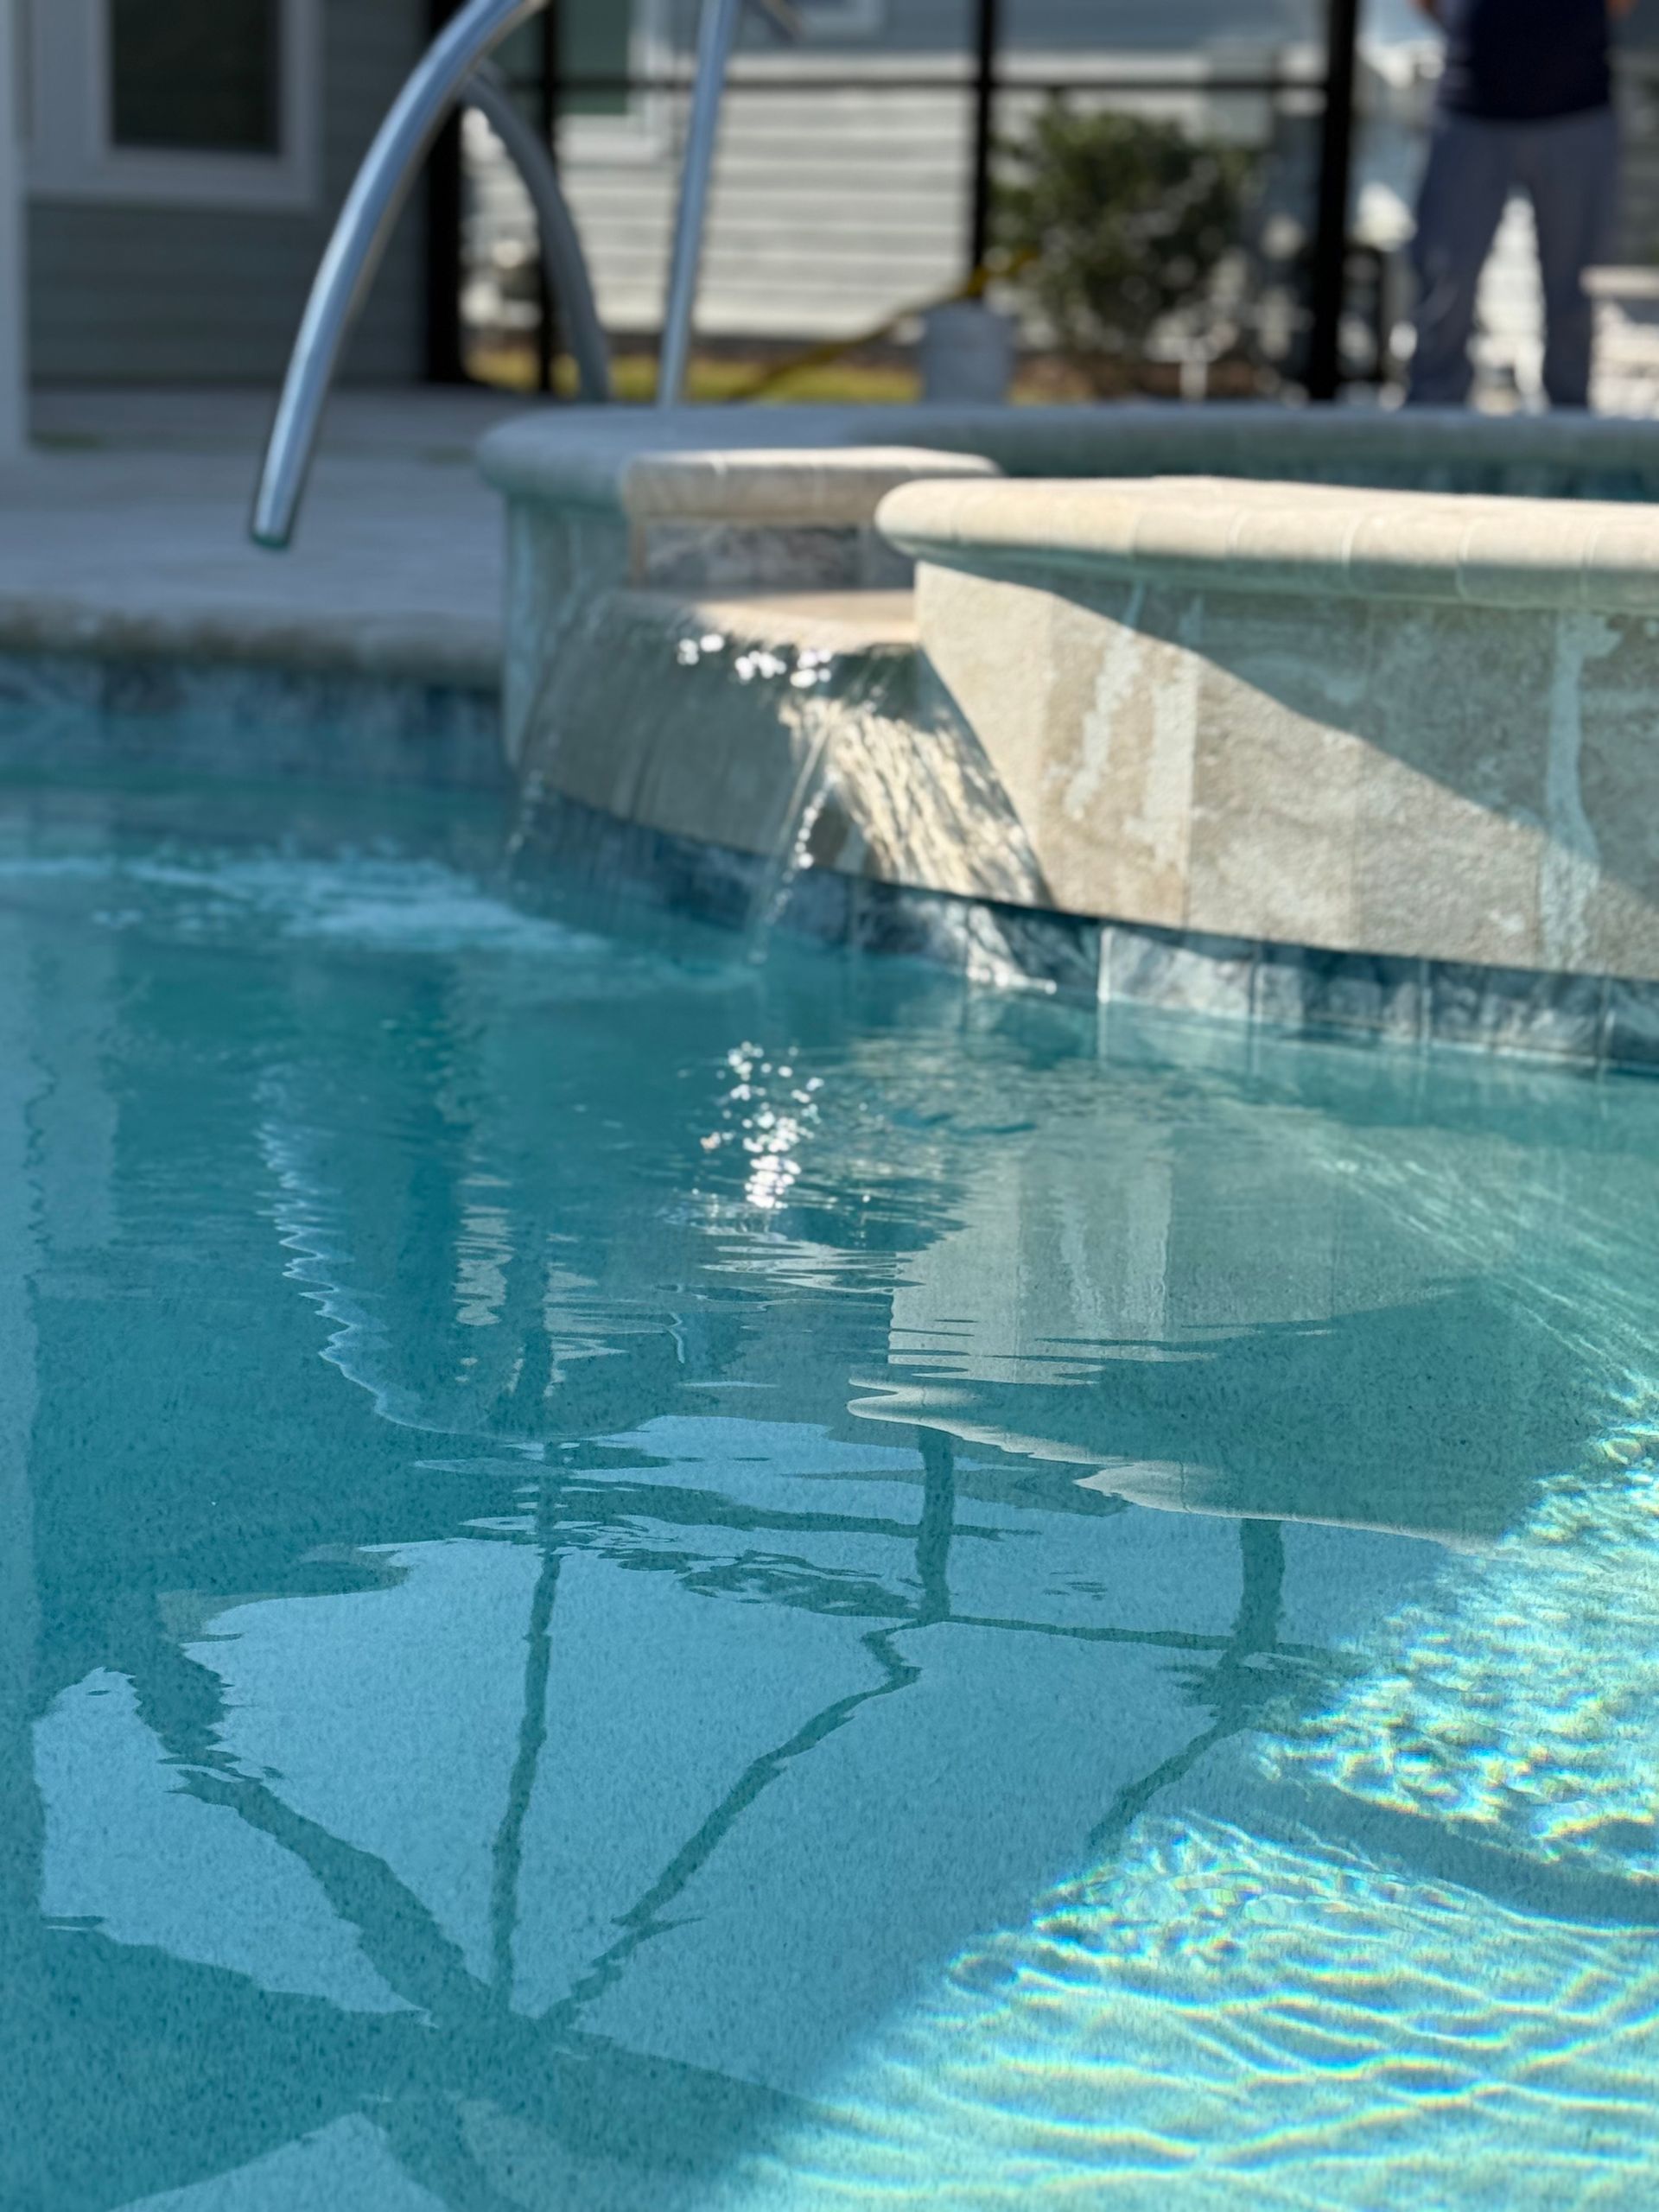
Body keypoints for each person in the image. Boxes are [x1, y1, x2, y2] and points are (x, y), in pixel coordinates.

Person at [1408, 0, 1634, 407]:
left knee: (1575, 285)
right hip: (1470, 106)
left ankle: (1570, 420)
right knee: (1446, 277)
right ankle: (1431, 416)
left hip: (1578, 109)